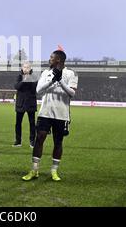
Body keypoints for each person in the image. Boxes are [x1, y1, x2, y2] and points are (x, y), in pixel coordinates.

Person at [22, 50, 78, 182]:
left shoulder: (71, 74)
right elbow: (38, 91)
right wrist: (53, 80)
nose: (50, 59)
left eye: (52, 57)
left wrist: (61, 81)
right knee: (39, 138)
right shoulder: (46, 73)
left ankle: (54, 171)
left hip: (62, 114)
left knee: (58, 142)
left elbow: (72, 93)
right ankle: (34, 169)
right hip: (45, 112)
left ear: (59, 59)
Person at [13, 62, 38, 148]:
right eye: (24, 67)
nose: (26, 69)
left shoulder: (34, 77)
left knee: (32, 124)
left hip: (31, 103)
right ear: (22, 68)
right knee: (18, 123)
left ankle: (32, 142)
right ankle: (18, 141)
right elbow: (16, 86)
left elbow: (35, 87)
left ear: (30, 69)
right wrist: (24, 80)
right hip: (20, 103)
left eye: (28, 67)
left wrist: (29, 79)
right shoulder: (19, 76)